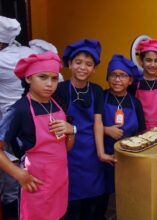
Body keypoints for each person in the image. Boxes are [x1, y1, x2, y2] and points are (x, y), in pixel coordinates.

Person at [0, 52, 75, 220]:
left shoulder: (57, 104)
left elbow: (65, 148)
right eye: (42, 77)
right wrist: (18, 174)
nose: (49, 84)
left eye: (54, 78)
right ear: (28, 79)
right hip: (35, 184)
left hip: (59, 181)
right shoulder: (19, 110)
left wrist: (71, 131)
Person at [55, 39, 112, 219]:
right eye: (78, 62)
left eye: (88, 64)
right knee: (72, 199)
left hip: (91, 149)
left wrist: (101, 153)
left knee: (94, 198)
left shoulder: (96, 90)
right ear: (69, 64)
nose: (82, 67)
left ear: (94, 69)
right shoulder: (60, 89)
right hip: (68, 150)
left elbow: (97, 122)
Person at [102, 54, 146, 218]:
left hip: (128, 159)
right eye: (113, 75)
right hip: (104, 157)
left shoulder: (135, 103)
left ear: (130, 80)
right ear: (108, 78)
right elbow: (91, 124)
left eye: (123, 75)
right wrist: (106, 130)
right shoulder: (101, 96)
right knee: (106, 197)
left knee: (126, 194)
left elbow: (141, 131)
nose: (117, 79)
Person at [0, 15, 34, 219]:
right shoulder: (28, 51)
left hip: (9, 125)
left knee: (11, 176)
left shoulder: (2, 59)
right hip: (32, 120)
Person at [128, 39, 157, 131]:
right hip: (139, 131)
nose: (153, 64)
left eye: (156, 61)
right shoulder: (134, 83)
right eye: (148, 60)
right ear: (141, 61)